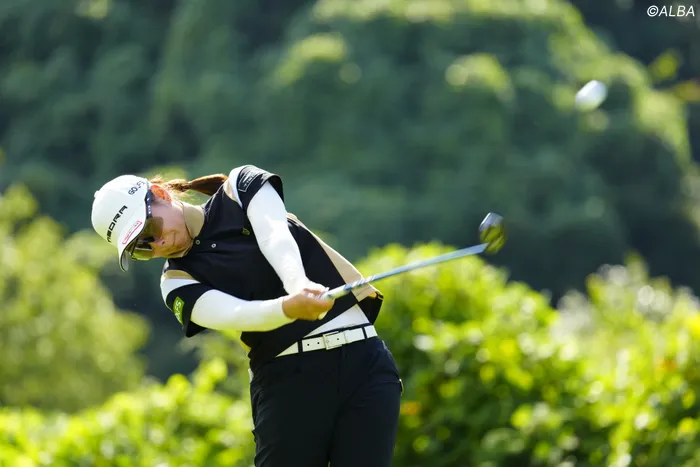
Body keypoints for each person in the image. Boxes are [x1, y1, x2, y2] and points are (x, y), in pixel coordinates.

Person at [90, 164, 403, 467]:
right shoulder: (175, 282)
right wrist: (287, 308)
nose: (157, 244)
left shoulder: (240, 188)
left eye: (150, 228)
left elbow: (274, 236)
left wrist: (298, 284)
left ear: (160, 193)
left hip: (365, 363)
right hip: (289, 384)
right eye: (141, 247)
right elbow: (236, 314)